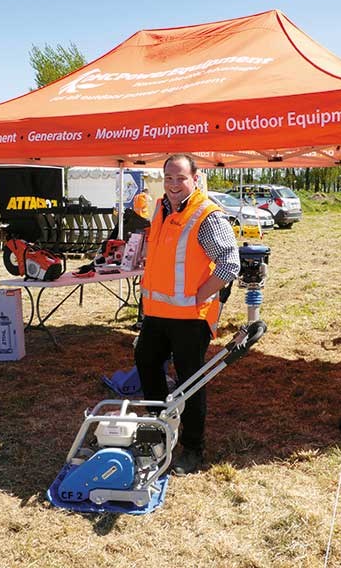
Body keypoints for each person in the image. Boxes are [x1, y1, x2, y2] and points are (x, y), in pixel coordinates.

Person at [135, 154, 240, 475]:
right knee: (146, 361)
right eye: (168, 178)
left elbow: (229, 263)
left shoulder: (206, 215)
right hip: (157, 313)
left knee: (190, 381)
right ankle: (156, 432)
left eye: (180, 178)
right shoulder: (161, 209)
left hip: (190, 318)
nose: (173, 184)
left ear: (195, 179)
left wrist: (199, 296)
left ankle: (193, 450)